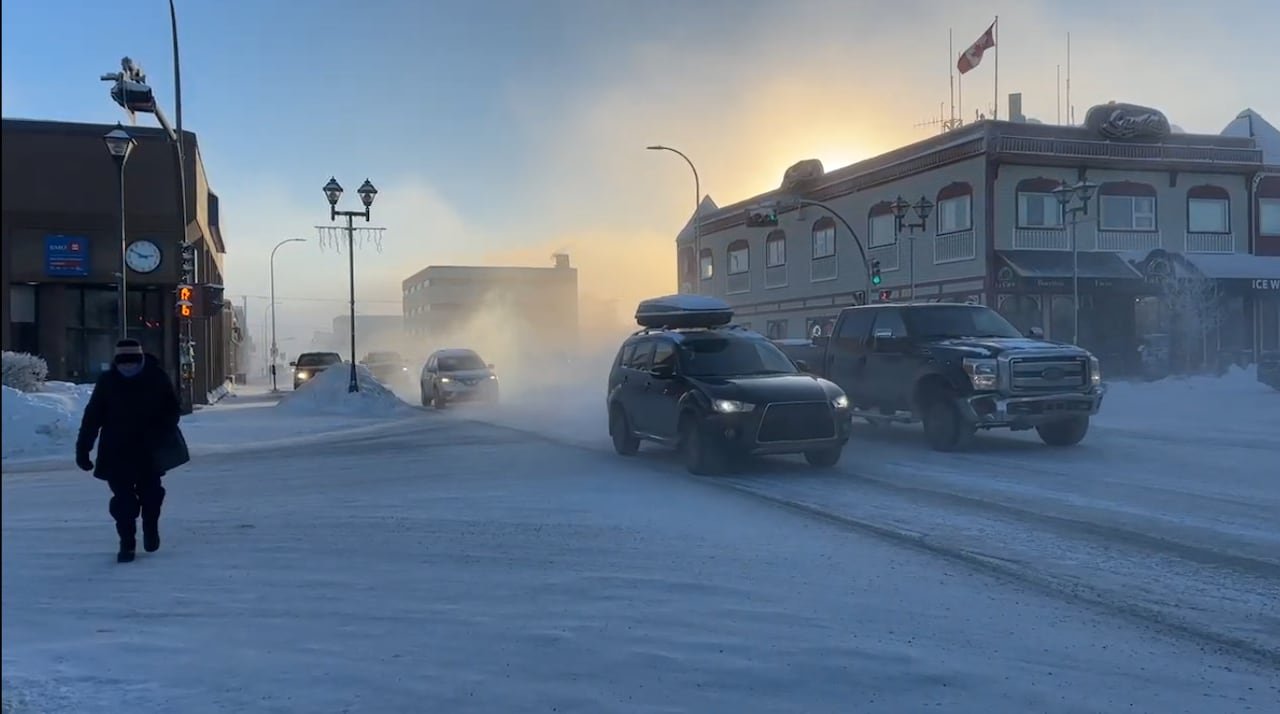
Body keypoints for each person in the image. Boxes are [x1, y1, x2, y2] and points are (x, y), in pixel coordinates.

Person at [76, 338, 181, 563]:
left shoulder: (157, 378)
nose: (127, 367)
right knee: (124, 502)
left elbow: (172, 409)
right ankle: (127, 543)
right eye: (123, 363)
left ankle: (150, 525)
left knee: (151, 495)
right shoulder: (108, 381)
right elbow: (92, 417)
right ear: (116, 362)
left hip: (149, 451)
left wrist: (162, 431)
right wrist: (83, 449)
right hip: (116, 452)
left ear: (140, 359)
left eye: (132, 362)